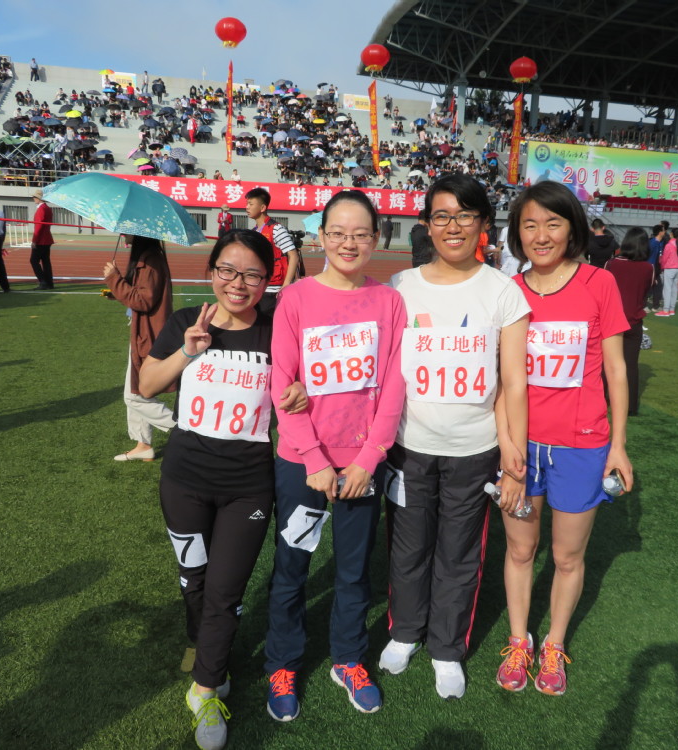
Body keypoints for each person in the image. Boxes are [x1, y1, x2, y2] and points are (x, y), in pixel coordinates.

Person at [138, 230, 303, 750]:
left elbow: (300, 380)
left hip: (247, 489)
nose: (238, 283)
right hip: (183, 482)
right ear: (211, 272)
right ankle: (206, 646)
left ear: (267, 280)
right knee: (194, 580)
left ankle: (205, 688)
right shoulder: (190, 321)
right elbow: (146, 384)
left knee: (225, 592)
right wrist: (187, 353)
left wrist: (300, 391)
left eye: (253, 274)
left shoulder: (276, 329)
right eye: (228, 270)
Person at [380, 174, 530, 700]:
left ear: (483, 224)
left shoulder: (503, 291)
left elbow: (514, 381)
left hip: (473, 450)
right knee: (408, 547)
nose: (454, 226)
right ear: (426, 224)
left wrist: (513, 451)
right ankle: (404, 631)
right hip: (409, 447)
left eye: (466, 216)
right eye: (442, 216)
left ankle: (447, 648)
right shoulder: (400, 287)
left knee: (459, 553)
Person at [264, 191, 406, 721]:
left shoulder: (388, 302)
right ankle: (282, 663)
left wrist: (369, 458)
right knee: (292, 566)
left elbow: (394, 386)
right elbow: (283, 384)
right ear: (320, 236)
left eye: (361, 234)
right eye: (339, 233)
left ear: (376, 239)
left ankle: (347, 658)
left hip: (362, 465)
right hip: (303, 464)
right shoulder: (296, 299)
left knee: (352, 570)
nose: (349, 243)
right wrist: (314, 459)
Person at [495, 180, 632, 697]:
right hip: (522, 446)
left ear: (572, 228)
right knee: (520, 549)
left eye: (552, 223)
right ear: (517, 233)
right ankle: (518, 641)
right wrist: (507, 443)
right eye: (529, 224)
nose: (541, 235)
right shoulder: (508, 290)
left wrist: (618, 444)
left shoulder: (600, 283)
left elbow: (616, 371)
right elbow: (499, 379)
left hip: (582, 445)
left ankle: (553, 644)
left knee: (568, 556)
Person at [103, 235, 176, 461]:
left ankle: (187, 429)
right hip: (144, 333)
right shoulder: (148, 258)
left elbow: (143, 300)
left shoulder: (150, 260)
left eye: (127, 230)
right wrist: (117, 289)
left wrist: (114, 279)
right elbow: (140, 296)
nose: (123, 234)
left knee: (135, 396)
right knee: (136, 392)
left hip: (149, 336)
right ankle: (143, 444)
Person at [604, 227, 655, 415]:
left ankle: (601, 400)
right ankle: (630, 406)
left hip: (611, 321)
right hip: (634, 321)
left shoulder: (611, 264)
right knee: (630, 366)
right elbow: (647, 291)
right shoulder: (648, 268)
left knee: (605, 363)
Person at [245, 187, 298, 315]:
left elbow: (293, 256)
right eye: (247, 204)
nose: (247, 207)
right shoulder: (254, 231)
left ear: (262, 208)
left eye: (251, 204)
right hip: (258, 287)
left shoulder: (277, 229)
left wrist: (286, 285)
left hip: (273, 290)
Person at [30, 189, 54, 290]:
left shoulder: (41, 209)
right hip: (47, 239)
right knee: (46, 262)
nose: (33, 199)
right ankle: (49, 283)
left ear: (38, 198)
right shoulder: (47, 208)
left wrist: (34, 240)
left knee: (34, 261)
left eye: (34, 197)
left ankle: (43, 281)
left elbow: (38, 227)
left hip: (41, 240)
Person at [655, 228, 678, 316]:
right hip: (677, 268)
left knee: (667, 289)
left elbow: (664, 258)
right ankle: (672, 309)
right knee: (674, 289)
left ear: (672, 234)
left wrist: (662, 267)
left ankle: (666, 310)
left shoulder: (669, 245)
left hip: (669, 268)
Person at [646, 224, 664, 310]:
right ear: (660, 232)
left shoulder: (658, 243)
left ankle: (655, 306)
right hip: (650, 268)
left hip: (655, 269)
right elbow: (647, 255)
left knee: (658, 286)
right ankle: (644, 306)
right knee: (647, 287)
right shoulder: (653, 243)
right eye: (663, 230)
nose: (664, 232)